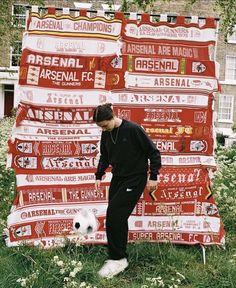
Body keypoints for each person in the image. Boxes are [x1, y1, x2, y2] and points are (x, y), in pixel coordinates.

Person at [93, 103, 162, 279]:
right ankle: (119, 255)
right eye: (100, 127)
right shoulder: (106, 134)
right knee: (118, 217)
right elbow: (105, 156)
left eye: (104, 125)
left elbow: (153, 152)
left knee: (114, 214)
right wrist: (99, 175)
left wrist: (153, 176)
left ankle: (118, 258)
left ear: (112, 117)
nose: (103, 129)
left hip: (135, 178)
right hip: (118, 178)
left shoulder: (133, 129)